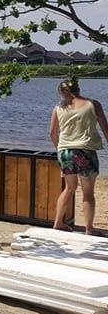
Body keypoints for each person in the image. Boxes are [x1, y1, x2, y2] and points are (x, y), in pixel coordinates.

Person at [50, 78, 108, 235]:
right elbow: (105, 128)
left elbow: (53, 133)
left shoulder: (58, 108)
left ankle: (58, 223)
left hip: (66, 152)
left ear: (62, 92)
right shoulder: (93, 104)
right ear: (78, 89)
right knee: (88, 193)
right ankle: (89, 229)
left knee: (69, 188)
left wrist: (59, 149)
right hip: (86, 151)